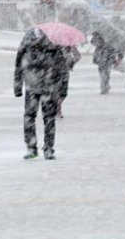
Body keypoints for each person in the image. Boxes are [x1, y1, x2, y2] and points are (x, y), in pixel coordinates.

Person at [13, 27, 79, 160]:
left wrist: (18, 86)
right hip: (49, 86)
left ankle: (31, 148)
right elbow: (63, 70)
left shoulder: (27, 41)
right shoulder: (54, 44)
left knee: (29, 117)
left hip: (32, 86)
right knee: (49, 118)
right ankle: (48, 148)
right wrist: (62, 91)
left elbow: (18, 65)